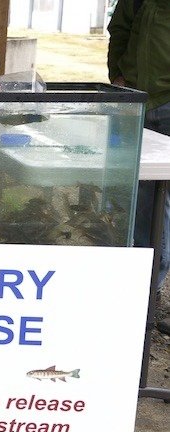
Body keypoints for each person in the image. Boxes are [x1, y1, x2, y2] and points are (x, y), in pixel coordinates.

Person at [108, 0, 170, 334]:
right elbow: (119, 29)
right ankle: (143, 293)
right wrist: (117, 75)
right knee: (138, 196)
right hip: (136, 99)